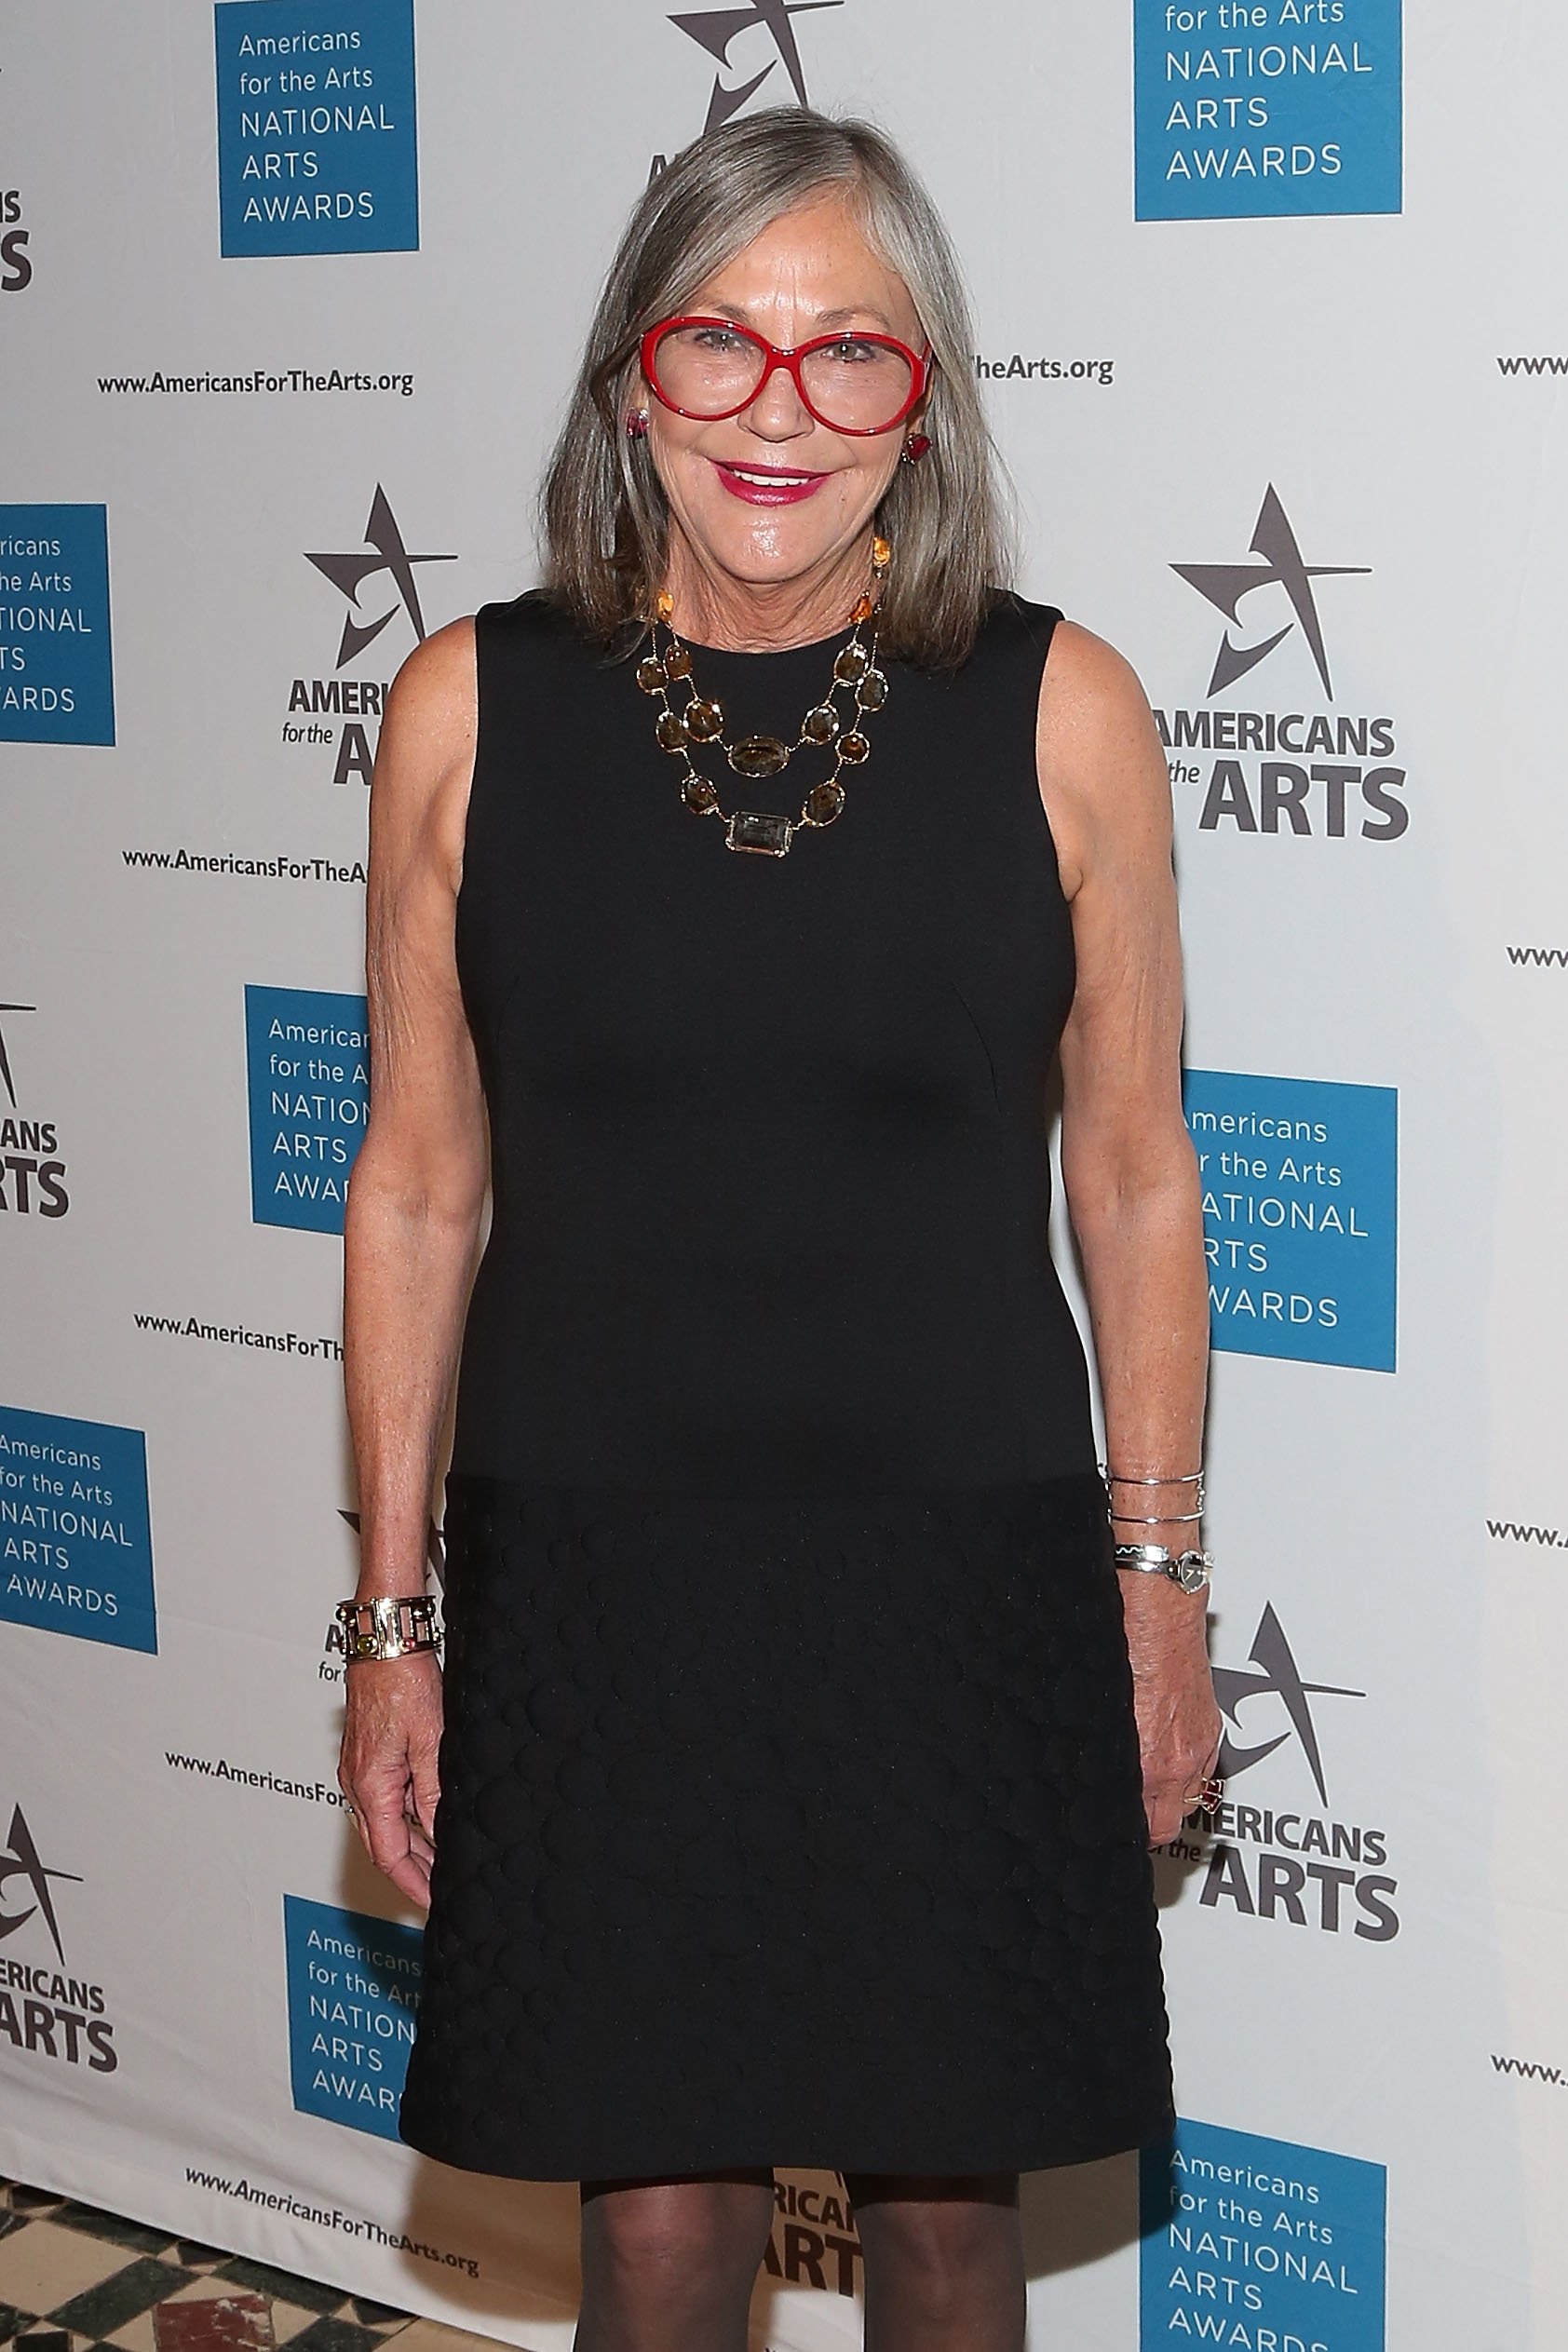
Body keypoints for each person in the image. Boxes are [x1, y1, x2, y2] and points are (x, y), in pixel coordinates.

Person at [336, 105, 1221, 2352]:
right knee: (650, 2234)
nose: (777, 411)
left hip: (956, 1569)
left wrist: (1149, 1591)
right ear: (633, 375)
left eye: (850, 357)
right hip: (605, 1571)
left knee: (943, 2224)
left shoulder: (1065, 709)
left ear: (921, 405)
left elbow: (1129, 1177)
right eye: (719, 344)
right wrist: (389, 1620)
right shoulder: (463, 712)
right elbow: (419, 1186)